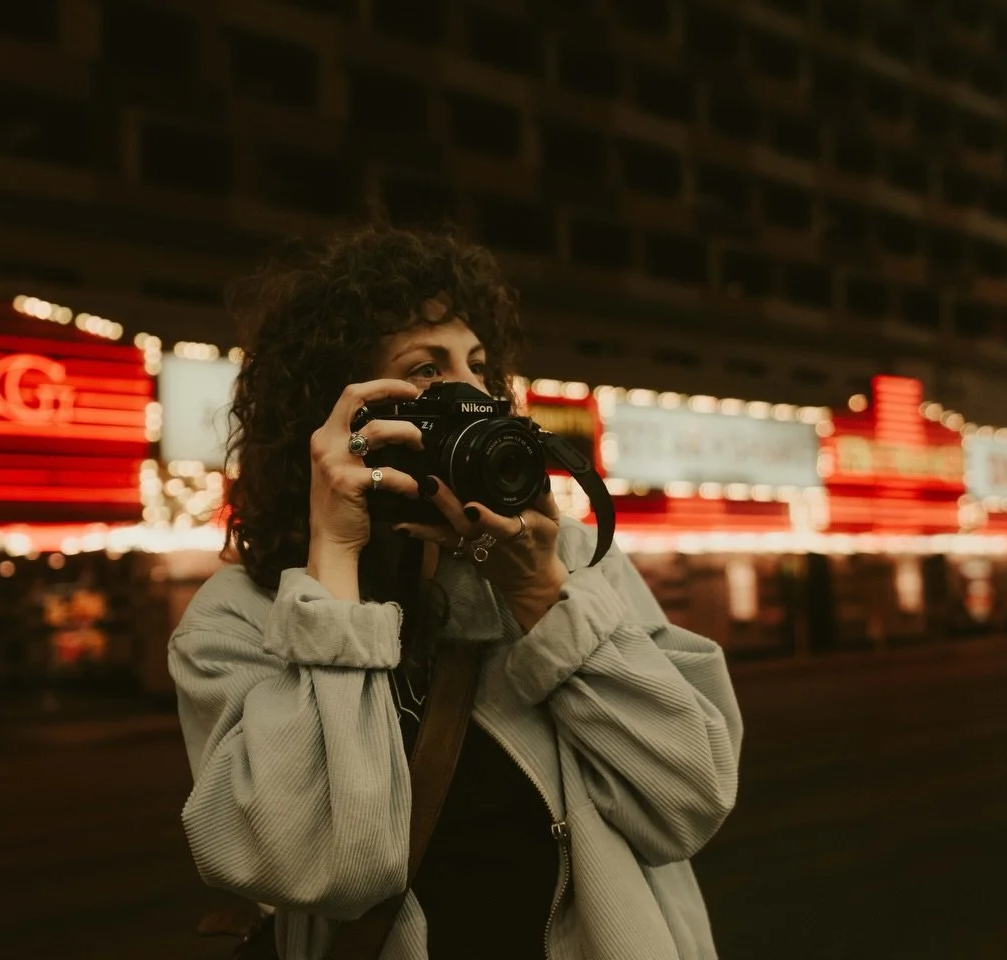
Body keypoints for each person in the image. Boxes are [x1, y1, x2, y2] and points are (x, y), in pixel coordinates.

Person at [170, 223, 743, 959]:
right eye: (426, 369)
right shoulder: (239, 618)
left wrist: (542, 597)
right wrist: (336, 567)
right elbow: (320, 869)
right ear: (338, 412)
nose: (473, 388)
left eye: (479, 364)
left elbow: (689, 802)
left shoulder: (564, 560)